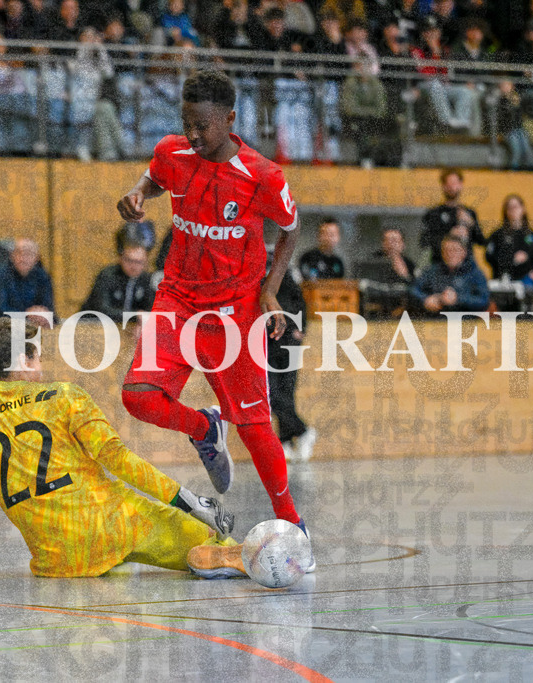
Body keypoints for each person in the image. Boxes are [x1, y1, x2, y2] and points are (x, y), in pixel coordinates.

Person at [115, 69, 315, 558]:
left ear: (229, 119)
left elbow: (290, 228)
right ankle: (205, 428)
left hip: (234, 311)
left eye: (202, 126)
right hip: (178, 300)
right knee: (138, 397)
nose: (193, 135)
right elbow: (157, 176)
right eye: (187, 124)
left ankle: (294, 525)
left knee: (255, 425)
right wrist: (139, 191)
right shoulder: (173, 152)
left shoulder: (262, 175)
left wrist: (270, 291)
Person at [0, 317, 235, 578]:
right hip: (115, 526)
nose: (41, 366)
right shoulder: (64, 396)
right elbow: (117, 459)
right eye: (37, 358)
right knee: (221, 544)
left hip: (55, 561)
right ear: (24, 361)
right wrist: (189, 501)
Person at [264, 246, 317, 463]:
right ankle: (302, 431)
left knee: (287, 393)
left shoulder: (284, 274)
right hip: (266, 343)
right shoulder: (254, 278)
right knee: (272, 394)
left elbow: (300, 302)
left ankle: (285, 440)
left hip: (288, 343)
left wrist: (300, 329)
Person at [80, 237, 155, 323]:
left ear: (146, 262)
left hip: (125, 327)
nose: (134, 266)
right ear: (121, 258)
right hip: (91, 325)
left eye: (139, 262)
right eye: (129, 260)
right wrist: (135, 316)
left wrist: (141, 322)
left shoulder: (146, 279)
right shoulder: (108, 275)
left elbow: (149, 311)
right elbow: (102, 310)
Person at [410, 234, 490, 315]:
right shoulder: (432, 271)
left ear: (464, 252)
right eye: (446, 250)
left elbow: (484, 301)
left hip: (464, 319)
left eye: (455, 250)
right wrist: (425, 299)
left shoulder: (474, 273)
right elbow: (413, 290)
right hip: (435, 319)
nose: (450, 254)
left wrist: (458, 299)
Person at [420, 167, 485, 265]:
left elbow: (481, 241)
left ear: (461, 185)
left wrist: (472, 224)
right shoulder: (433, 213)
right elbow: (424, 242)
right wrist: (450, 235)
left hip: (465, 266)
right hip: (440, 265)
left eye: (454, 183)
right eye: (448, 183)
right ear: (443, 186)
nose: (452, 187)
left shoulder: (469, 213)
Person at [0, 238, 55, 322]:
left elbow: (48, 308)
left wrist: (42, 314)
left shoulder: (43, 276)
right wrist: (27, 314)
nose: (23, 259)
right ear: (12, 256)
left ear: (36, 258)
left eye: (29, 254)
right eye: (19, 253)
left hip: (33, 325)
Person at [485, 195, 533, 285]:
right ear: (506, 211)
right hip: (503, 280)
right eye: (509, 207)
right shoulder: (498, 235)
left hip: (526, 281)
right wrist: (512, 259)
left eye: (516, 207)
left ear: (523, 209)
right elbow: (489, 257)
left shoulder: (531, 236)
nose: (513, 210)